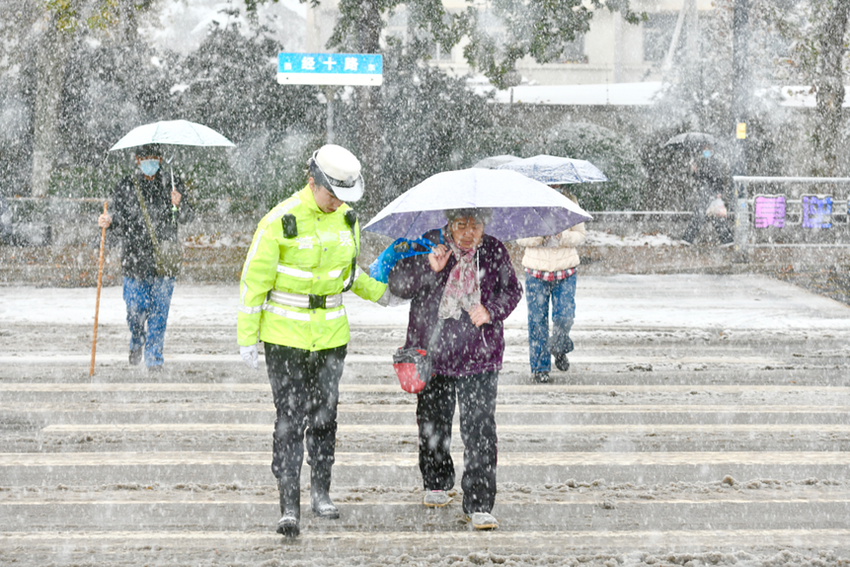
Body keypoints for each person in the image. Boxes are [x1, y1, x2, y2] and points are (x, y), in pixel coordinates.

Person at [237, 144, 388, 538]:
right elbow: (254, 284)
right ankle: (289, 505)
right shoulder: (279, 221)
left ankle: (321, 490)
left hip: (332, 338)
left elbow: (349, 276)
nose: (338, 203)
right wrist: (246, 338)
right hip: (284, 339)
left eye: (345, 197)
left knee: (325, 419)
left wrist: (385, 291)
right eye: (332, 194)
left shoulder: (347, 221)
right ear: (312, 181)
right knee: (290, 421)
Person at [387, 208, 522, 531]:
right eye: (461, 224)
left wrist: (491, 311)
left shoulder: (493, 250)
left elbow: (512, 291)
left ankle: (478, 502)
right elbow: (398, 283)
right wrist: (428, 266)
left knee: (480, 430)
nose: (468, 232)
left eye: (475, 225)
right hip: (434, 353)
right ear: (449, 223)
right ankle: (436, 481)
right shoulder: (429, 243)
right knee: (433, 422)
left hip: (480, 354)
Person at [97, 143, 193, 371]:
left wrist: (179, 205)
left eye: (154, 157)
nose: (150, 162)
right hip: (134, 259)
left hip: (164, 259)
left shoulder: (172, 183)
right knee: (135, 309)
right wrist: (107, 222)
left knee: (160, 313)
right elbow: (117, 218)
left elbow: (187, 216)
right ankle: (137, 339)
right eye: (146, 158)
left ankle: (154, 359)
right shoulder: (126, 185)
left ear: (160, 159)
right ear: (138, 161)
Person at [515, 189, 586, 383]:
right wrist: (540, 237)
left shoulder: (570, 202)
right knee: (537, 321)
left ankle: (559, 347)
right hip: (536, 272)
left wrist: (564, 236)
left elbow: (580, 235)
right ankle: (540, 368)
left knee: (565, 316)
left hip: (566, 269)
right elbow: (520, 237)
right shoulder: (528, 205)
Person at [681, 145, 734, 246]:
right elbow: (704, 178)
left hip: (710, 194)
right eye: (704, 150)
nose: (705, 152)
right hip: (708, 193)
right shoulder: (707, 162)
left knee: (700, 216)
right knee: (715, 217)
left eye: (707, 150)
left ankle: (687, 239)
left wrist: (718, 191)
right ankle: (727, 240)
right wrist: (695, 172)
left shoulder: (713, 162)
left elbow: (716, 179)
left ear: (711, 151)